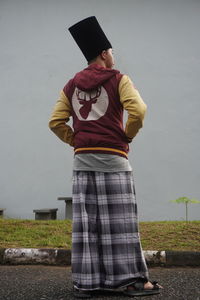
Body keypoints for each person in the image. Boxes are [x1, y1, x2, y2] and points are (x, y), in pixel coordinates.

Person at [49, 16, 162, 298]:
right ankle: (131, 281)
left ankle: (88, 283)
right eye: (110, 51)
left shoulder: (71, 85)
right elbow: (139, 111)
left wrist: (76, 140)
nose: (113, 55)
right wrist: (127, 135)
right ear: (103, 53)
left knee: (89, 225)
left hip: (82, 163)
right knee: (120, 225)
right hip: (114, 161)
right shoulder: (119, 79)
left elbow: (55, 122)